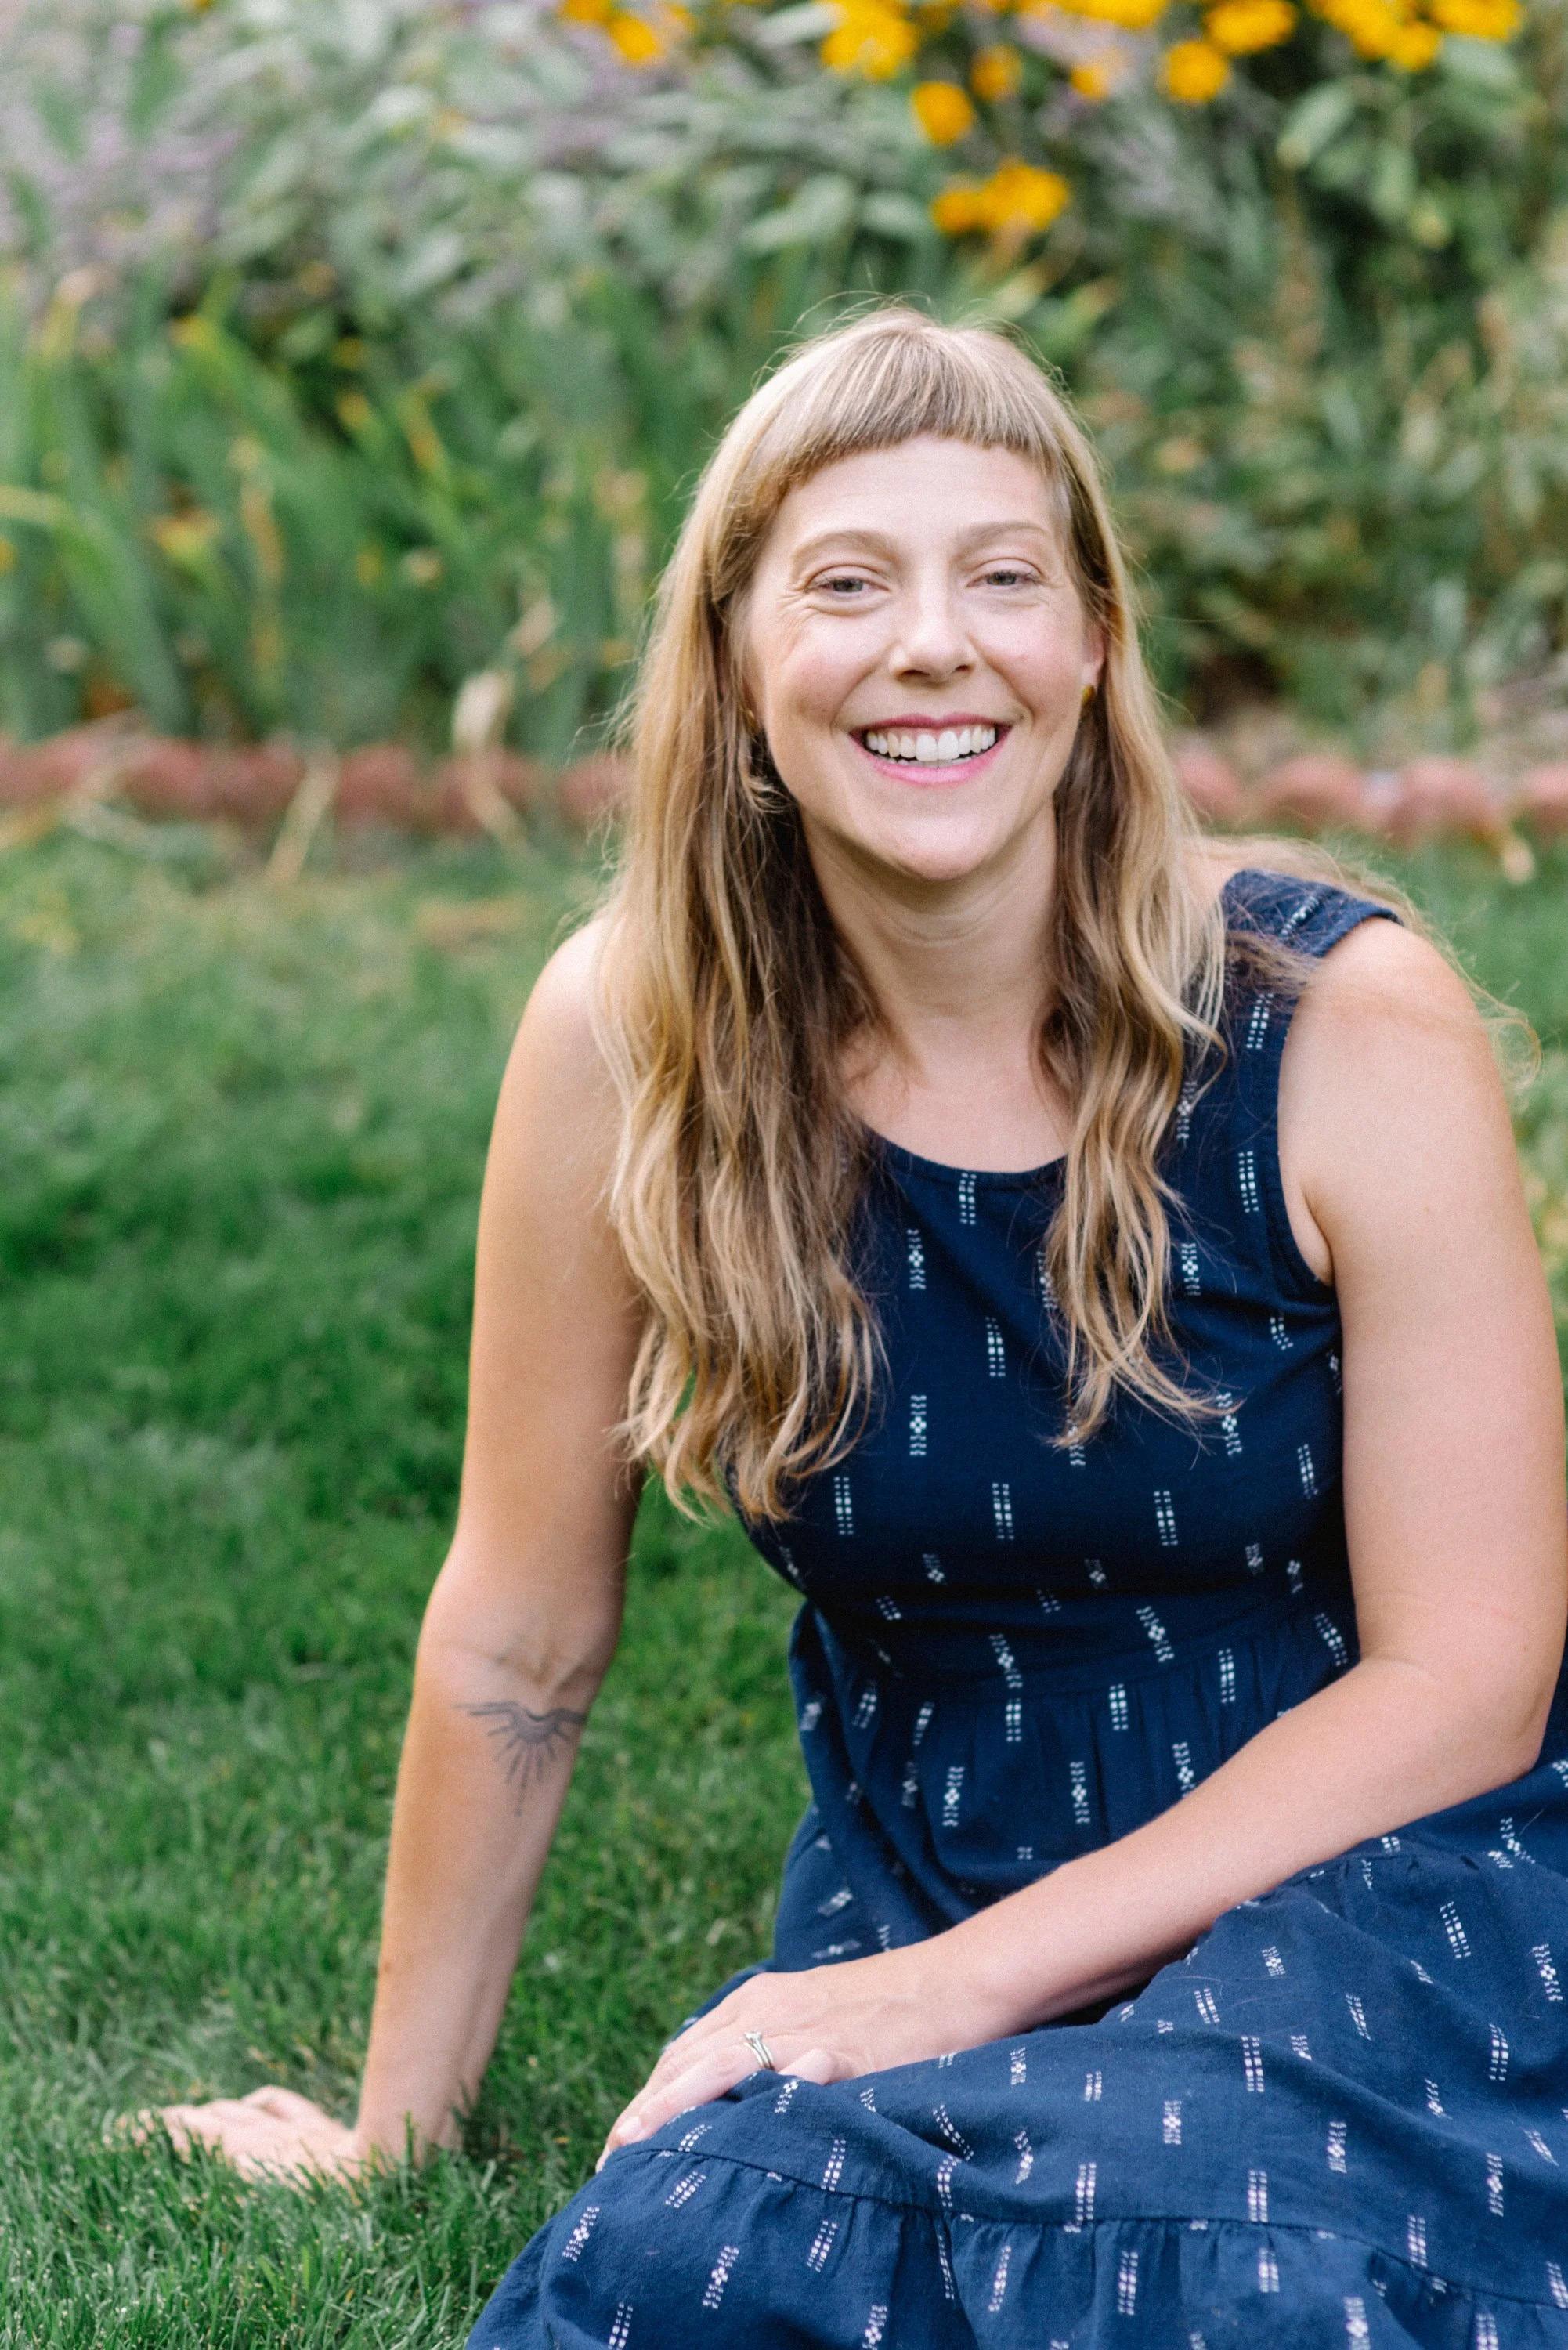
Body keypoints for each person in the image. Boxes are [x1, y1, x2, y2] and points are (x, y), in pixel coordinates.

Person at [154, 310, 1568, 2343]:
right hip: (933, 1854)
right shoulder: (626, 1035)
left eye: (1002, 576)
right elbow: (521, 1625)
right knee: (676, 2268)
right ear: (737, 671)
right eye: (845, 583)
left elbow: (1468, 1677)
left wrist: (943, 1995)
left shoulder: (1337, 1025)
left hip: (1368, 1864)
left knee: (1221, 2253)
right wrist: (401, 2128)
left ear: (1092, 648)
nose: (932, 642)